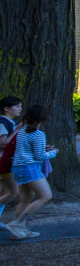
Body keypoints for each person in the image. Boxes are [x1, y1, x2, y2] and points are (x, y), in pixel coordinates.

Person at [5, 105, 58, 238]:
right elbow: (39, 157)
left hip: (18, 168)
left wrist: (43, 148)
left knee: (25, 199)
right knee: (46, 196)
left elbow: (27, 149)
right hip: (30, 168)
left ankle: (18, 232)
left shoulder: (22, 131)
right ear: (42, 118)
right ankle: (17, 223)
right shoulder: (38, 134)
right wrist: (53, 153)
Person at [0, 96, 22, 224]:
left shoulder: (9, 123)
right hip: (3, 161)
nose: (20, 109)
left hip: (6, 161)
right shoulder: (3, 122)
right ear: (6, 108)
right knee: (12, 192)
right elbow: (3, 143)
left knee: (4, 192)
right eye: (17, 106)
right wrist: (17, 130)